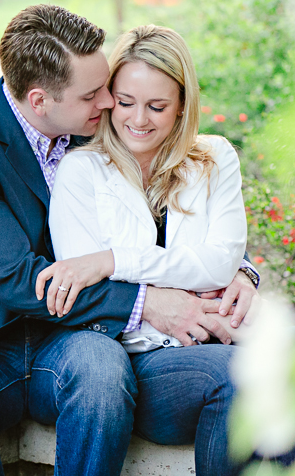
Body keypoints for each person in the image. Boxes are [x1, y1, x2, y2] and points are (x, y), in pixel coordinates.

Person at [0, 5, 260, 476]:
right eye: (95, 94)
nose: (111, 103)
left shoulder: (94, 128)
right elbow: (18, 278)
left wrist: (240, 268)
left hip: (73, 336)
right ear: (39, 100)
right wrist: (147, 303)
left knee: (102, 374)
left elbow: (169, 209)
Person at [42, 24, 253, 475]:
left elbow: (220, 262)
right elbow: (85, 297)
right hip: (139, 365)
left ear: (181, 107)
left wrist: (115, 260)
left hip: (222, 337)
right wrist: (188, 301)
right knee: (241, 375)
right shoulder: (81, 172)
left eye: (157, 106)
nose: (139, 120)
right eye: (125, 103)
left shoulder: (216, 158)